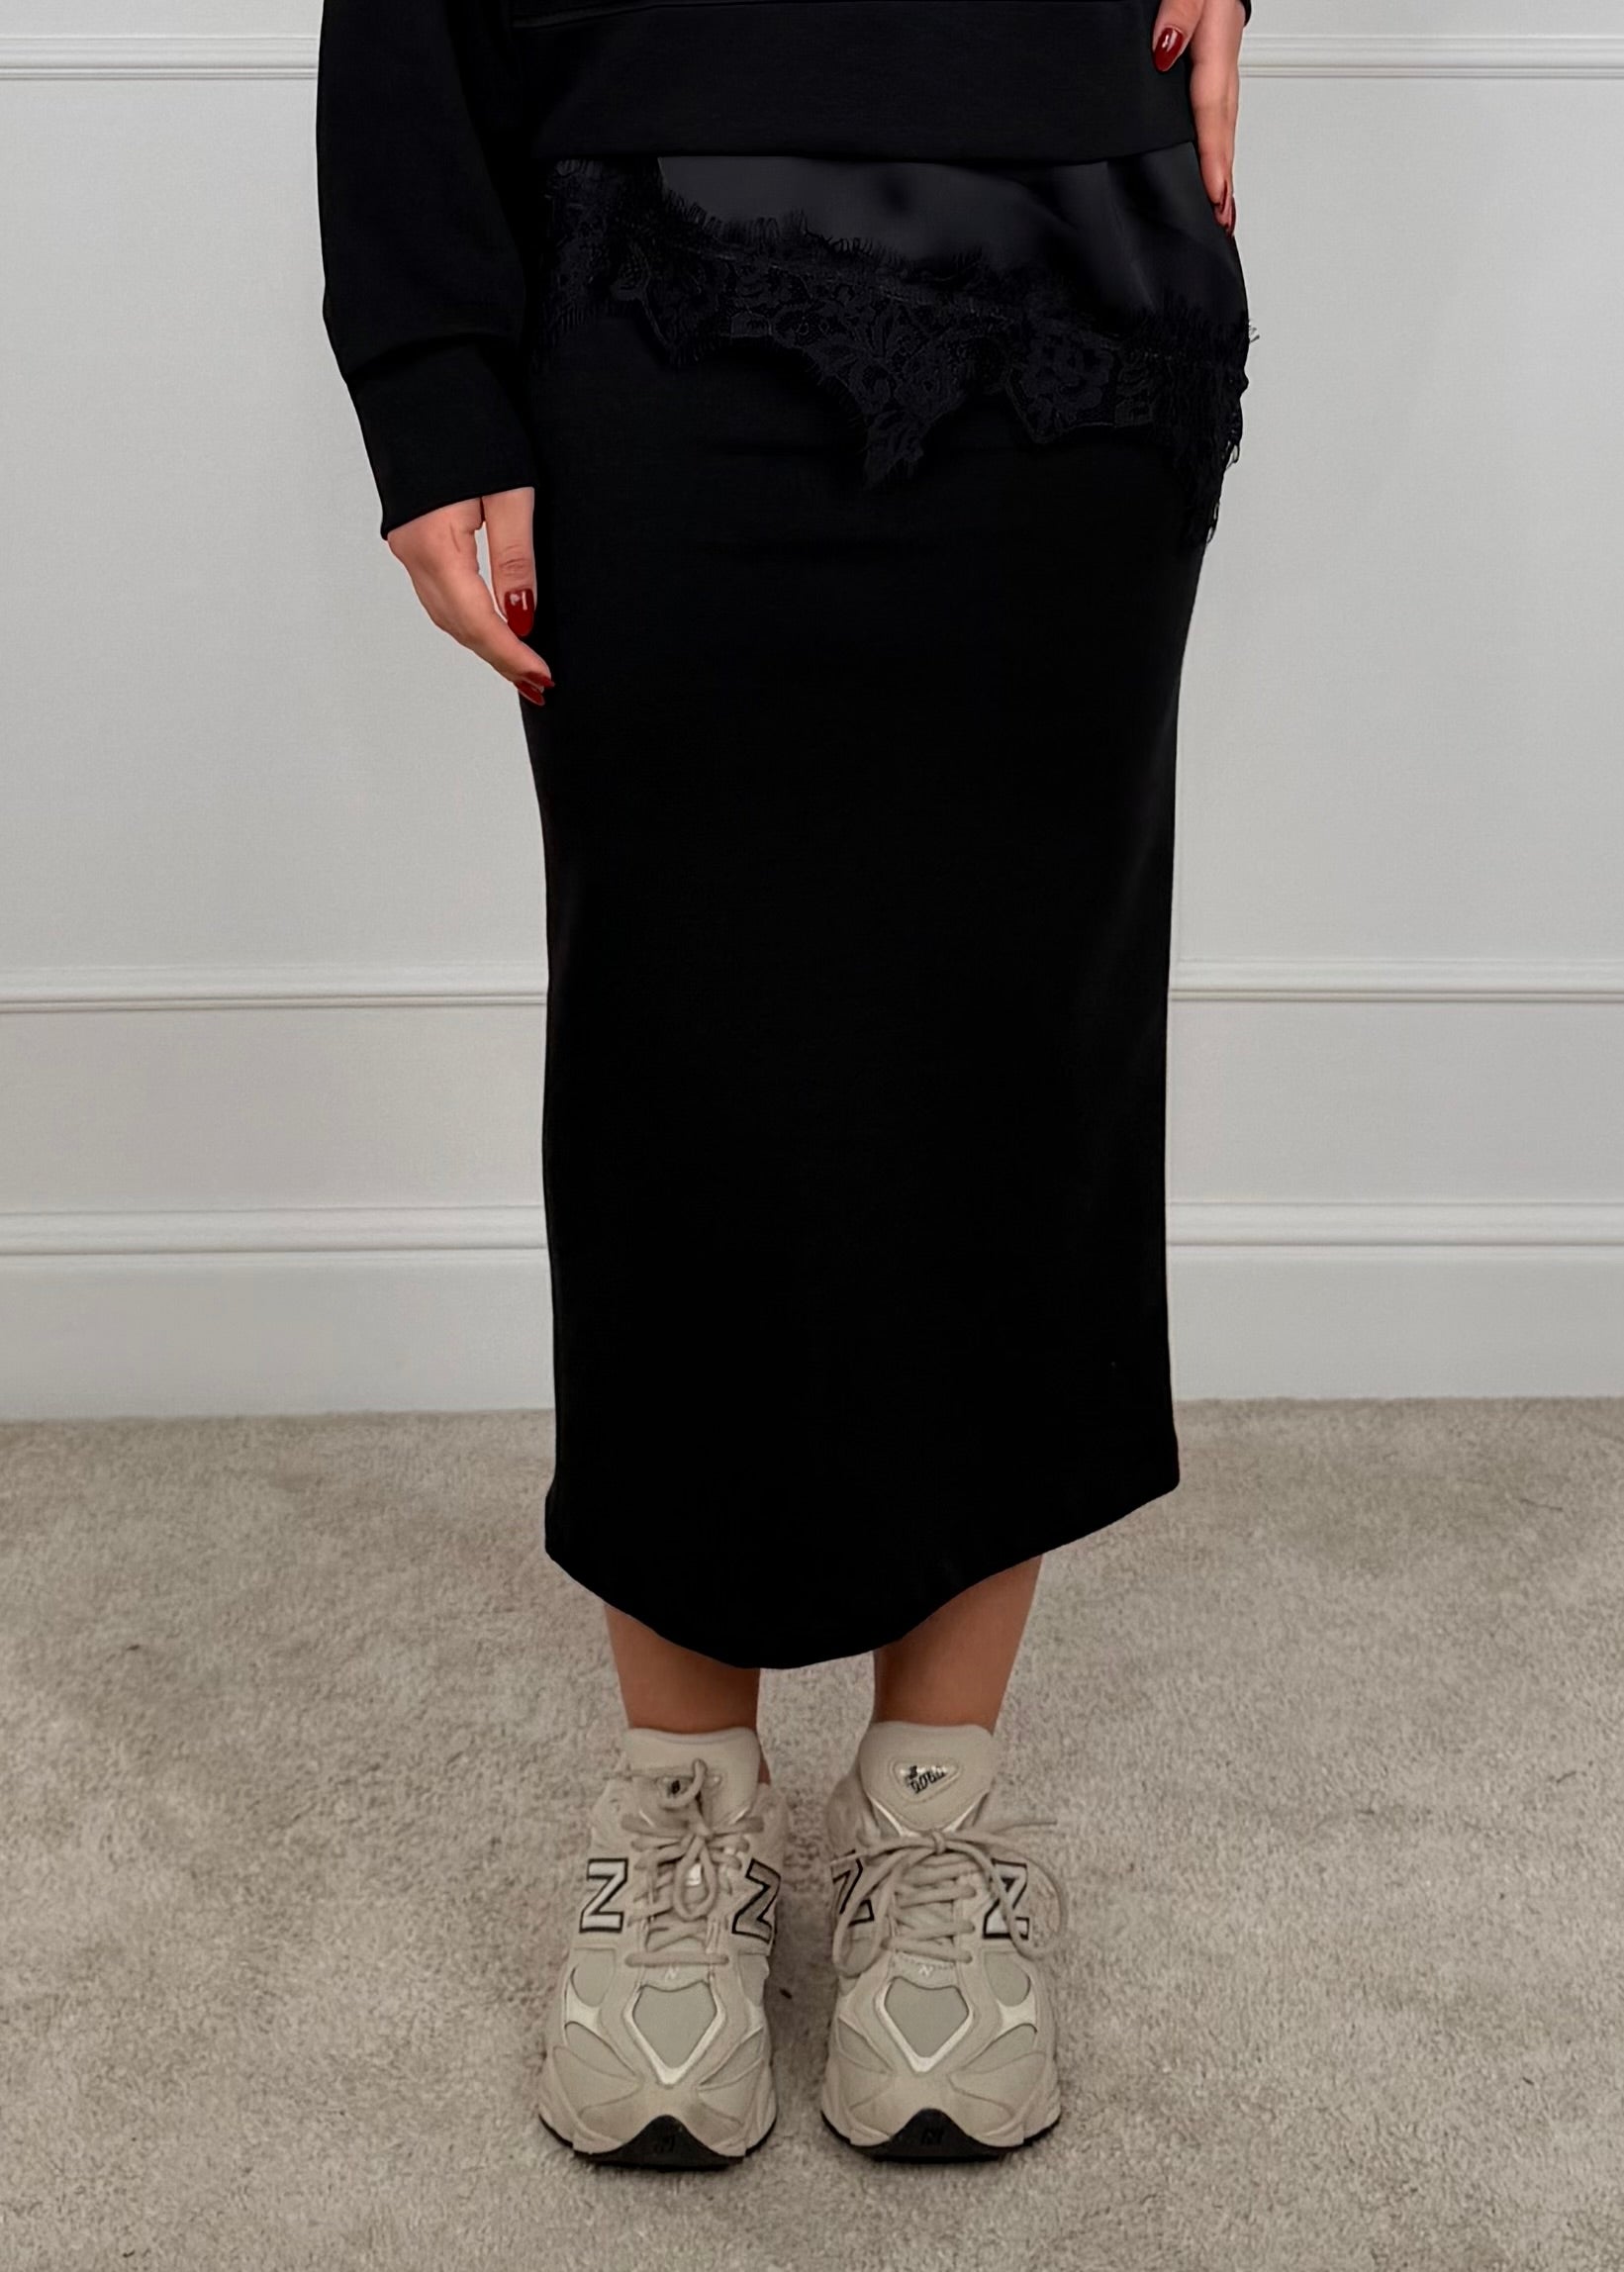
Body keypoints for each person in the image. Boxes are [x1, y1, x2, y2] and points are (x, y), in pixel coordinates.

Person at [316, 0, 1253, 2168]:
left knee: (1023, 1043)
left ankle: (933, 1818)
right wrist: (430, 366)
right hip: (640, 231)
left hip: (1071, 255)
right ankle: (681, 1815)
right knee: (681, 1049)